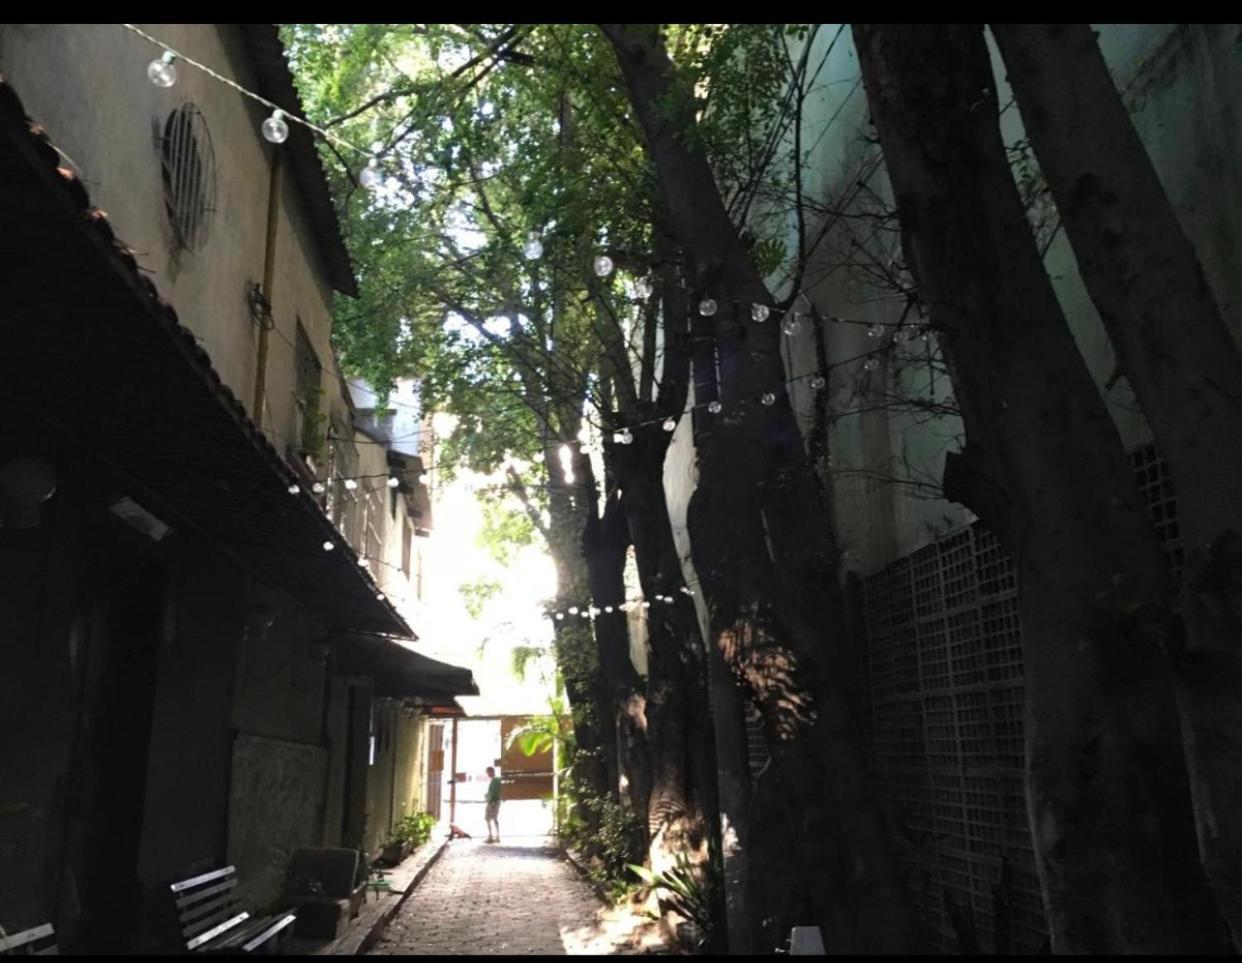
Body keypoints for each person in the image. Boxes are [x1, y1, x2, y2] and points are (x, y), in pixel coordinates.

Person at [484, 766, 502, 843]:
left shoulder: (495, 781)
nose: (487, 774)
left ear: (492, 772)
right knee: (494, 819)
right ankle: (497, 836)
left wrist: (487, 798)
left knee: (488, 818)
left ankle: (491, 836)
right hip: (496, 801)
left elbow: (493, 793)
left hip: (493, 802)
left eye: (488, 772)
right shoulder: (497, 780)